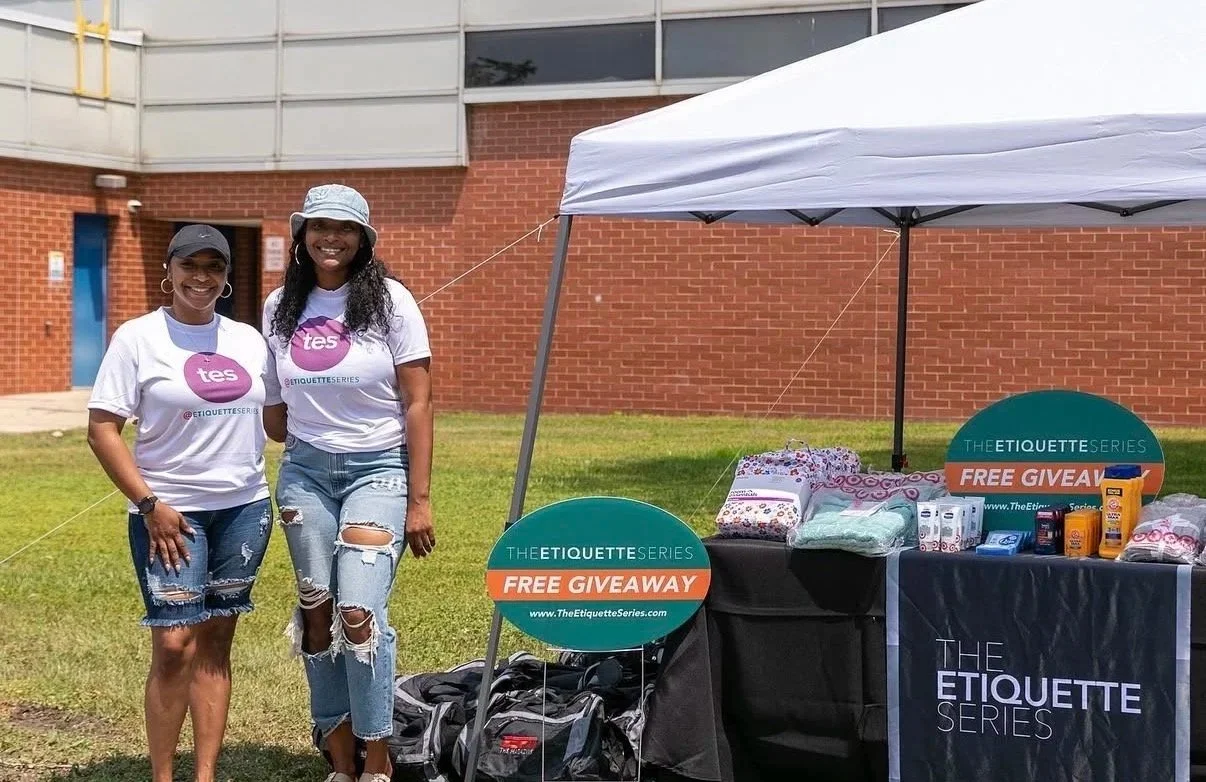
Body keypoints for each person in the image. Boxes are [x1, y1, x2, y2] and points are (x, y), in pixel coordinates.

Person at [86, 224, 277, 782]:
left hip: (244, 509)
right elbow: (102, 429)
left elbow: (281, 420)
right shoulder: (138, 338)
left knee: (216, 642)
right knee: (174, 643)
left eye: (213, 267)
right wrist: (149, 505)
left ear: (226, 277)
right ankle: (164, 776)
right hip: (169, 513)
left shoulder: (248, 340)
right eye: (189, 266)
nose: (201, 277)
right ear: (167, 272)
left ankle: (206, 775)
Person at [262, 184, 435, 782]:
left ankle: (377, 763)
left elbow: (418, 404)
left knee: (360, 611)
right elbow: (275, 408)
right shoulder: (281, 304)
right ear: (301, 235)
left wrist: (419, 499)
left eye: (344, 229)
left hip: (379, 472)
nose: (329, 239)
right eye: (318, 227)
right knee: (317, 611)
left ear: (363, 239)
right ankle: (340, 763)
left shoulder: (391, 302)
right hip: (305, 474)